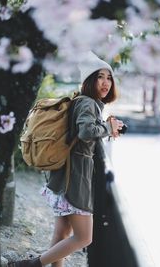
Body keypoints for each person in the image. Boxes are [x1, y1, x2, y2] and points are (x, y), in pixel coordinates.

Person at [8, 51, 124, 267]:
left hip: (66, 174)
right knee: (84, 238)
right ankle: (31, 265)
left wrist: (106, 126)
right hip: (76, 177)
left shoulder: (85, 102)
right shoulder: (88, 103)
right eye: (100, 76)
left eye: (109, 78)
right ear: (89, 80)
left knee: (62, 233)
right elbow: (86, 132)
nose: (106, 82)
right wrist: (108, 127)